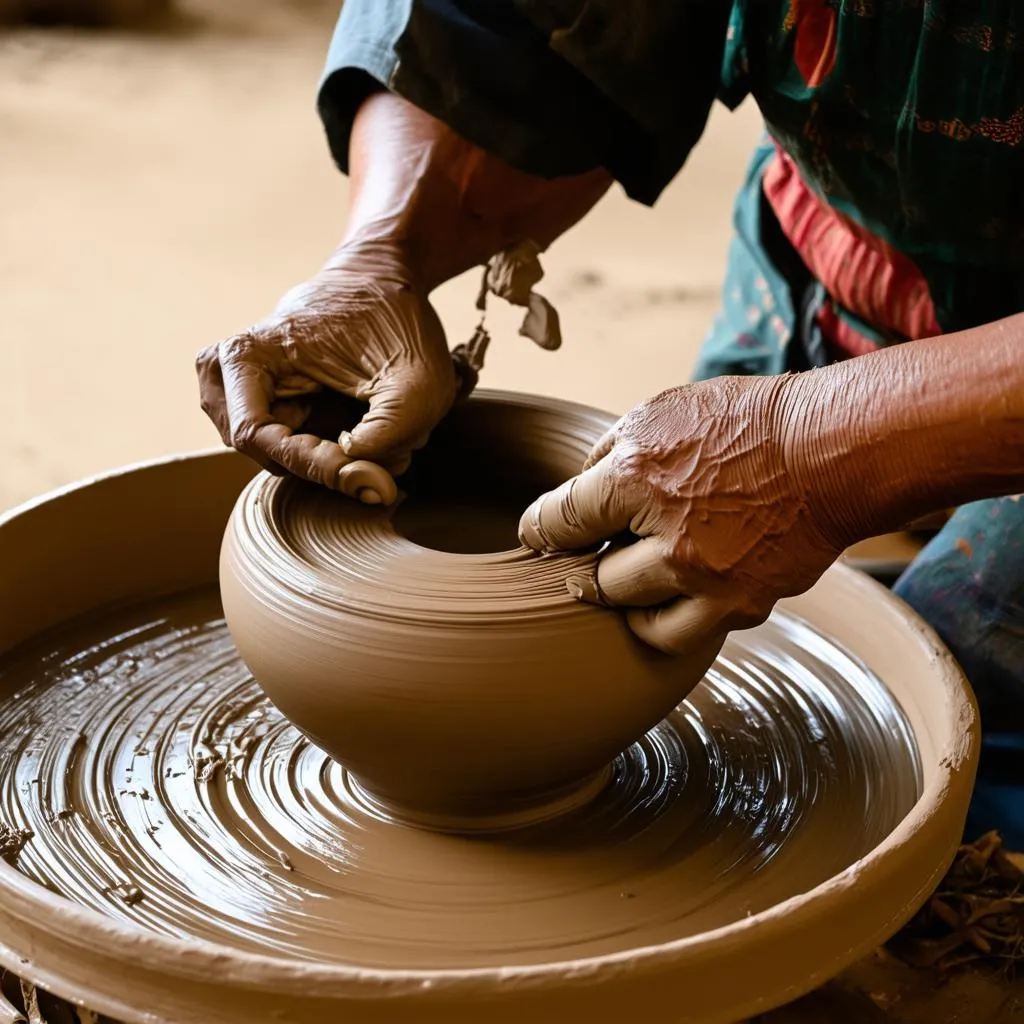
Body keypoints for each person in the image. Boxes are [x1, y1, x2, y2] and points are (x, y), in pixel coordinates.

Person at [195, 1, 1024, 845]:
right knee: (704, 579)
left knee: (959, 740)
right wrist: (382, 254)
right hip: (834, 238)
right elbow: (501, 28)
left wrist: (813, 449)